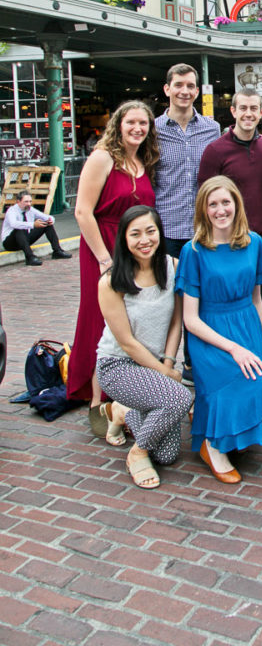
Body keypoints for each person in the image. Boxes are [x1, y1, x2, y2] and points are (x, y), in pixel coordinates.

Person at [175, 177, 262, 484]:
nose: (220, 209)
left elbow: (256, 301)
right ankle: (211, 446)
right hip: (209, 333)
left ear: (237, 204)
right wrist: (233, 349)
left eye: (226, 202)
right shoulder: (194, 251)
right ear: (203, 209)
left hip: (246, 325)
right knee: (232, 385)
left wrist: (261, 349)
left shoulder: (253, 243)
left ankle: (225, 434)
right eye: (212, 204)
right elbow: (190, 319)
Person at [68, 100, 158, 435]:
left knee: (128, 319)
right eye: (131, 122)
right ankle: (96, 397)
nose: (137, 128)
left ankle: (122, 390)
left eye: (144, 124)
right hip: (103, 246)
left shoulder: (141, 160)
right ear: (118, 124)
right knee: (100, 318)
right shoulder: (102, 157)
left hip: (133, 247)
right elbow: (82, 211)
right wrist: (105, 258)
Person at [96, 206, 191, 489]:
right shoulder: (110, 281)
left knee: (168, 455)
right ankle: (137, 453)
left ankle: (125, 413)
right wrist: (164, 372)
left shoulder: (171, 266)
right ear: (124, 239)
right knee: (179, 398)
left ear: (160, 233)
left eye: (151, 231)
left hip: (157, 363)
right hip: (118, 365)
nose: (145, 240)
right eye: (135, 234)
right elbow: (126, 341)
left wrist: (169, 362)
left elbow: (177, 320)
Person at [154, 63, 221, 384]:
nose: (185, 91)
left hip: (202, 232)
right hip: (164, 231)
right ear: (167, 89)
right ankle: (160, 366)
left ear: (197, 90)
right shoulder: (152, 130)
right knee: (164, 302)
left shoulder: (212, 128)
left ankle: (196, 366)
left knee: (201, 301)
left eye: (191, 86)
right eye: (179, 85)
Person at [198, 90, 262, 327]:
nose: (248, 114)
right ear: (233, 111)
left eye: (253, 109)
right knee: (225, 305)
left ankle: (259, 357)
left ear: (261, 113)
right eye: (243, 108)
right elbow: (204, 197)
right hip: (226, 240)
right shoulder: (215, 150)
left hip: (261, 238)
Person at [1, 190, 72, 266]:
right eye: (26, 202)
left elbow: (47, 217)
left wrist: (50, 220)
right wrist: (33, 224)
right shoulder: (12, 211)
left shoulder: (30, 209)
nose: (29, 204)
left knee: (47, 224)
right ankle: (30, 258)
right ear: (18, 202)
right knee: (19, 229)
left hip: (25, 239)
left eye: (30, 201)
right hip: (10, 242)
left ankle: (57, 251)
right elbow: (14, 224)